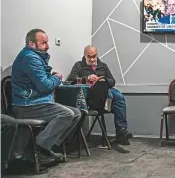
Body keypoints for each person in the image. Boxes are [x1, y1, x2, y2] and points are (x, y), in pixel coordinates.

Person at [11, 29, 81, 162]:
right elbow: (45, 86)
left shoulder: (35, 56)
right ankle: (37, 149)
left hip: (36, 102)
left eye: (47, 42)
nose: (48, 46)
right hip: (27, 105)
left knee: (76, 113)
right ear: (32, 44)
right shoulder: (30, 58)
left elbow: (41, 78)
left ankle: (46, 146)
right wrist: (58, 77)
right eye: (43, 43)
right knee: (66, 114)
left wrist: (51, 75)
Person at [67, 45, 132, 145]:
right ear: (85, 55)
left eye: (94, 56)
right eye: (89, 56)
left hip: (104, 94)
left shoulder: (103, 66)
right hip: (89, 95)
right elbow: (71, 79)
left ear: (97, 54)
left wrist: (102, 79)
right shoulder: (79, 65)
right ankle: (120, 132)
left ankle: (121, 131)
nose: (92, 59)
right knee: (116, 98)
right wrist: (87, 78)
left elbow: (112, 81)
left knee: (119, 97)